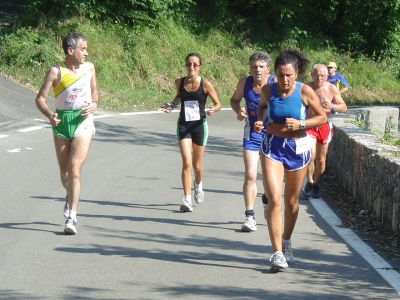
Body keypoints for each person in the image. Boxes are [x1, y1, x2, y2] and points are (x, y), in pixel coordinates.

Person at [254, 50, 327, 272]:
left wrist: (302, 124)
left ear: (296, 74)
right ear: (275, 73)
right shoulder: (268, 89)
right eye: (280, 75)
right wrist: (259, 121)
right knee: (275, 199)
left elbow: (322, 116)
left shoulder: (305, 91)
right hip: (272, 147)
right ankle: (276, 253)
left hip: (298, 149)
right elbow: (262, 108)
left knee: (291, 202)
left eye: (289, 75)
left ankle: (286, 241)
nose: (284, 80)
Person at [35, 33, 99, 235]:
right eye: (83, 49)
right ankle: (69, 194)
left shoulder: (89, 68)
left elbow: (95, 92)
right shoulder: (56, 71)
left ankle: (72, 217)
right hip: (62, 122)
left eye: (86, 48)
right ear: (71, 51)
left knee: (74, 169)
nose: (86, 53)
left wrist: (94, 105)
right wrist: (50, 115)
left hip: (83, 121)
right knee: (65, 174)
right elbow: (40, 99)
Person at [160, 53, 221, 212]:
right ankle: (187, 199)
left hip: (199, 126)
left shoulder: (205, 84)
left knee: (197, 165)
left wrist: (212, 109)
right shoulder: (179, 82)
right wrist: (171, 105)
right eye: (189, 64)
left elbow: (218, 104)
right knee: (187, 162)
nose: (192, 67)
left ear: (200, 66)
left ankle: (198, 185)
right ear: (185, 65)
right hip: (184, 124)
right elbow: (179, 97)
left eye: (195, 64)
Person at [230, 51, 275, 232]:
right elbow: (234, 100)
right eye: (254, 66)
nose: (258, 70)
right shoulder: (244, 83)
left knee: (269, 178)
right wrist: (239, 111)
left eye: (261, 66)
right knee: (250, 174)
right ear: (250, 68)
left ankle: (266, 200)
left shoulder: (276, 83)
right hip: (251, 133)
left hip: (271, 133)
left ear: (268, 69)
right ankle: (249, 216)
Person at [303, 64, 347, 199]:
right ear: (312, 75)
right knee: (310, 155)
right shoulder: (305, 87)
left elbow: (344, 107)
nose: (319, 78)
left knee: (321, 160)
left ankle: (316, 184)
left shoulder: (331, 88)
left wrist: (332, 106)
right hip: (309, 123)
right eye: (316, 75)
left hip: (324, 124)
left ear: (327, 76)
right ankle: (309, 182)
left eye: (322, 75)